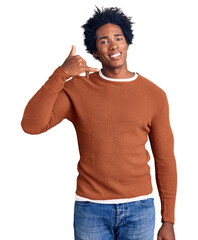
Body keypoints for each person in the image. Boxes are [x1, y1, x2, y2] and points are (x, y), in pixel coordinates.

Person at [21, 6, 177, 240]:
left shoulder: (154, 95)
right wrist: (61, 73)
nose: (113, 45)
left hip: (140, 209)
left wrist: (169, 220)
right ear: (95, 50)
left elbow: (164, 159)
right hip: (91, 209)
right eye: (104, 41)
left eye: (118, 38)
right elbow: (31, 125)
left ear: (127, 42)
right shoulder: (78, 89)